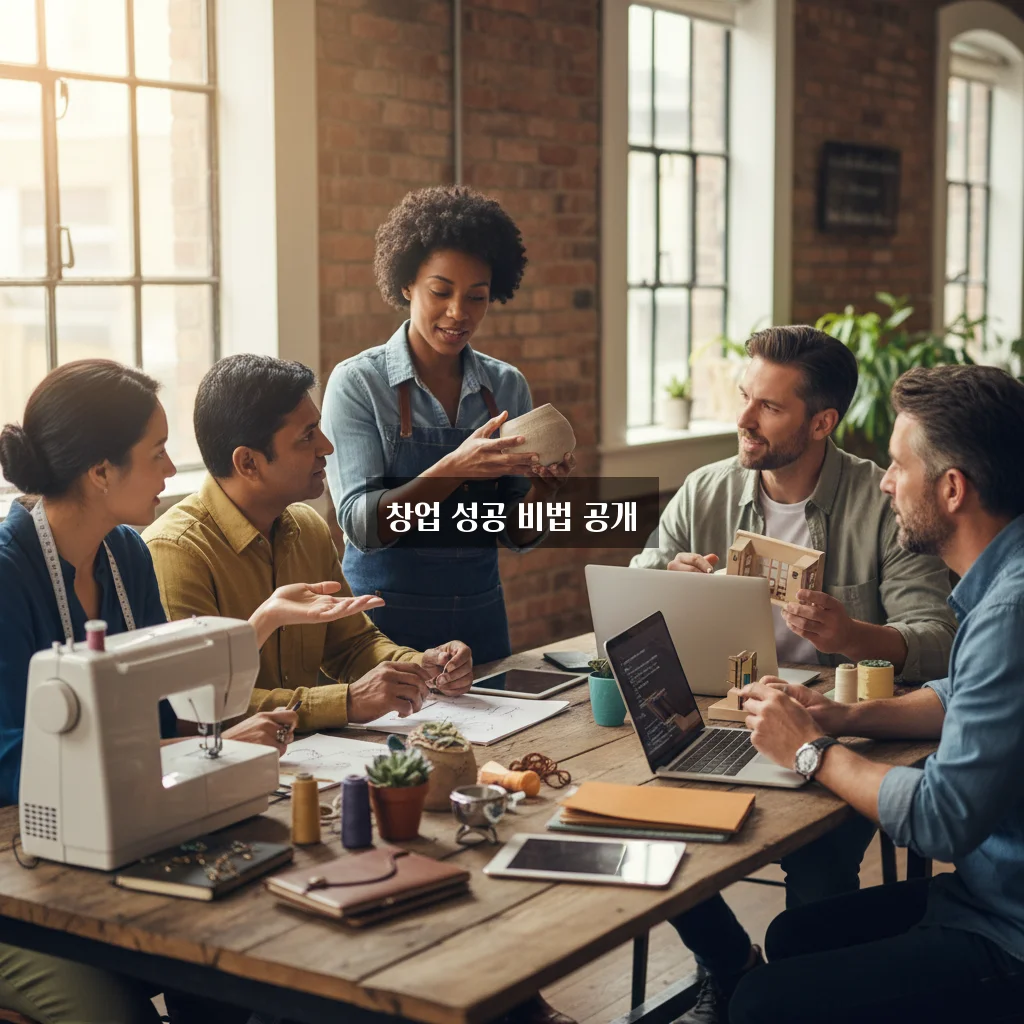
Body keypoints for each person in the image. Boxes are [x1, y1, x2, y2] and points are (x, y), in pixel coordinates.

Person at [0, 360, 371, 1023]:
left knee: (242, 954)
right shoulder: (7, 576)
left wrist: (210, 740)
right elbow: (8, 758)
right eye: (157, 452)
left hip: (112, 836)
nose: (172, 469)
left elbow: (163, 711)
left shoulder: (126, 556)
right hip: (17, 884)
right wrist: (177, 751)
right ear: (101, 472)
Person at [629, 325, 958, 1023]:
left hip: (837, 729)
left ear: (821, 422)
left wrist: (854, 636)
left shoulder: (885, 501)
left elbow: (938, 636)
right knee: (646, 821)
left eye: (769, 407)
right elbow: (637, 584)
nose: (743, 418)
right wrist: (668, 577)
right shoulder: (707, 489)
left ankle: (803, 998)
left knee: (817, 860)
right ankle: (729, 967)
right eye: (744, 397)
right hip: (717, 714)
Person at [730, 364, 1024, 1024]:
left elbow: (942, 819)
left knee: (758, 1004)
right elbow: (959, 694)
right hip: (989, 896)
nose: (886, 482)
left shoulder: (1009, 613)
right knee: (793, 936)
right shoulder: (1008, 578)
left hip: (1008, 932)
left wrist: (811, 750)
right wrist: (846, 715)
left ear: (952, 489)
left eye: (898, 466)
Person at [144, 353, 474, 734]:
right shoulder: (175, 552)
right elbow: (199, 705)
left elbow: (352, 645)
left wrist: (422, 666)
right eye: (307, 436)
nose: (326, 446)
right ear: (248, 463)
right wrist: (347, 702)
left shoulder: (308, 528)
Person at [322, 184, 575, 665]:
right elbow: (361, 526)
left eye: (477, 297)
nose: (459, 313)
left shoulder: (506, 386)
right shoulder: (359, 384)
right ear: (406, 285)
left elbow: (515, 535)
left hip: (480, 625)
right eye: (440, 292)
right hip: (381, 630)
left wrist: (544, 494)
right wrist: (455, 468)